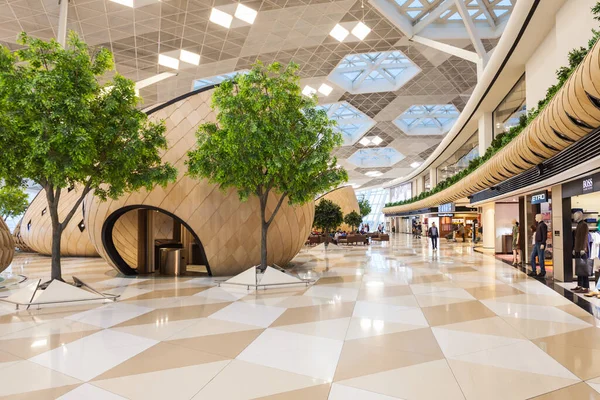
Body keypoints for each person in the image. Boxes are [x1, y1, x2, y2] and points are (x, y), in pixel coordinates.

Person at [573, 220, 591, 293]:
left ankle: (585, 286)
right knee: (579, 268)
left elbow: (585, 237)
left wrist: (583, 248)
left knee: (584, 268)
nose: (574, 217)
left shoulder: (584, 225)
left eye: (576, 215)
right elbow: (576, 238)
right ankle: (579, 285)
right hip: (577, 249)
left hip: (582, 250)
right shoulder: (578, 224)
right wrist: (574, 248)